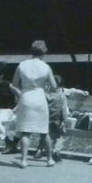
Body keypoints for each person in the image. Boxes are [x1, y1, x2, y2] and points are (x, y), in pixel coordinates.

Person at [13, 40, 56, 168]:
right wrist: (44, 85)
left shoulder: (22, 65)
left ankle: (24, 160)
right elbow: (54, 86)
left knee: (25, 131)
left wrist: (23, 88)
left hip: (26, 97)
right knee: (43, 131)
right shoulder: (46, 67)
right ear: (44, 52)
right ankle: (49, 159)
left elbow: (15, 83)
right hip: (39, 97)